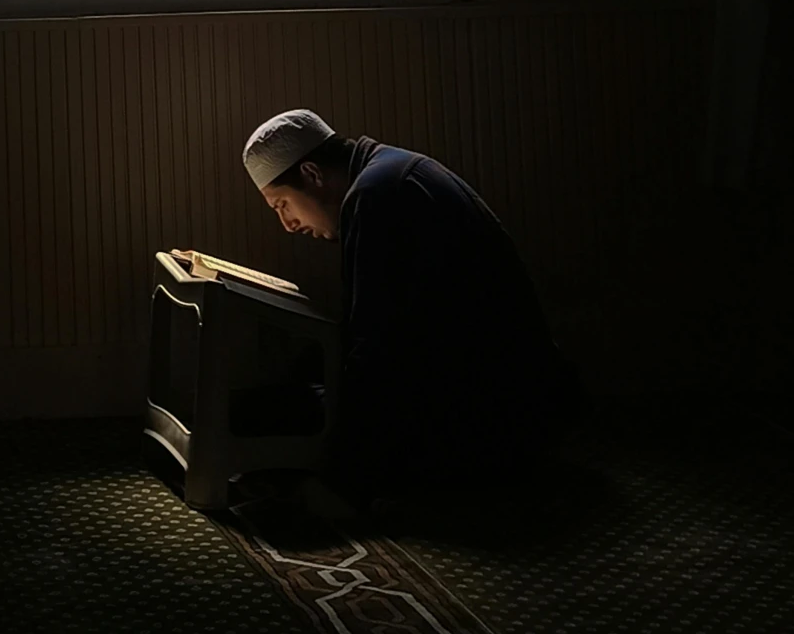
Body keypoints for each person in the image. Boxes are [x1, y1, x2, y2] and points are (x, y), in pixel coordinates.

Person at [243, 108, 586, 509]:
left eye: (282, 204)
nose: (288, 224)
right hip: (517, 399)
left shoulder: (376, 195)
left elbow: (377, 350)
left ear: (313, 175)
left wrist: (340, 484)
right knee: (297, 388)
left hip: (498, 417)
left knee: (276, 410)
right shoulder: (390, 171)